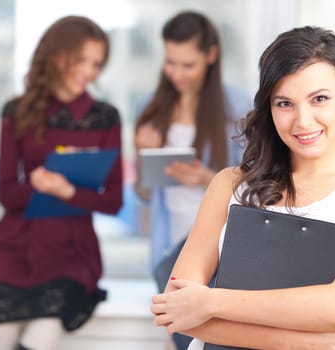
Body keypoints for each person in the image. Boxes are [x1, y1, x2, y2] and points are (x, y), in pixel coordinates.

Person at [150, 26, 335, 349]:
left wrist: (211, 303)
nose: (303, 121)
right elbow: (175, 310)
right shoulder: (230, 185)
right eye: (284, 103)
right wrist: (301, 341)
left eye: (320, 99)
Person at [0, 16, 122, 350]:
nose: (89, 71)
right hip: (17, 239)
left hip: (71, 244)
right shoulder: (17, 111)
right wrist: (37, 186)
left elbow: (113, 201)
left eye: (97, 63)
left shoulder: (105, 116)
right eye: (81, 59)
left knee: (46, 327)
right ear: (56, 56)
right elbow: (6, 193)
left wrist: (68, 191)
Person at [133, 11, 251, 349]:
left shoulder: (237, 107)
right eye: (170, 63)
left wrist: (205, 178)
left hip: (217, 248)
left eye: (188, 65)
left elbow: (254, 192)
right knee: (189, 340)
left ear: (211, 56)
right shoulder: (150, 107)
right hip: (168, 246)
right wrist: (143, 158)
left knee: (212, 340)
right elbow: (143, 195)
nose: (177, 74)